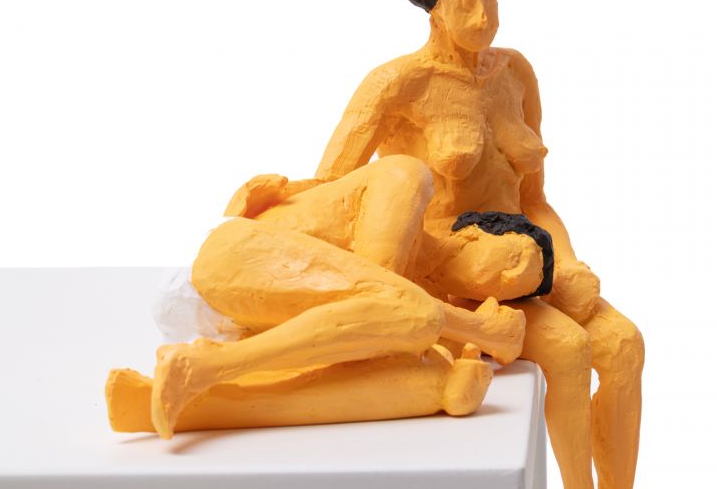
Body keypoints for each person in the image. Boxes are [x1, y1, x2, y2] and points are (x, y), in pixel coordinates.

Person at [315, 0, 678, 489]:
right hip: (457, 270)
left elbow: (535, 198)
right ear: (433, 5)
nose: (483, 18)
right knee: (569, 350)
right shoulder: (398, 85)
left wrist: (567, 261)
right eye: (466, 2)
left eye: (492, 1)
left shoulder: (515, 75)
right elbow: (338, 196)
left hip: (531, 254)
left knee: (625, 345)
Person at [126, 156, 526, 439]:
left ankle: (177, 403)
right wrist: (478, 328)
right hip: (224, 261)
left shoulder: (433, 320)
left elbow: (366, 320)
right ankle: (205, 366)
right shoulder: (406, 178)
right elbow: (379, 287)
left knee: (433, 381)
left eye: (517, 288)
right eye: (515, 260)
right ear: (474, 233)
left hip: (234, 325)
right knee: (414, 314)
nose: (507, 282)